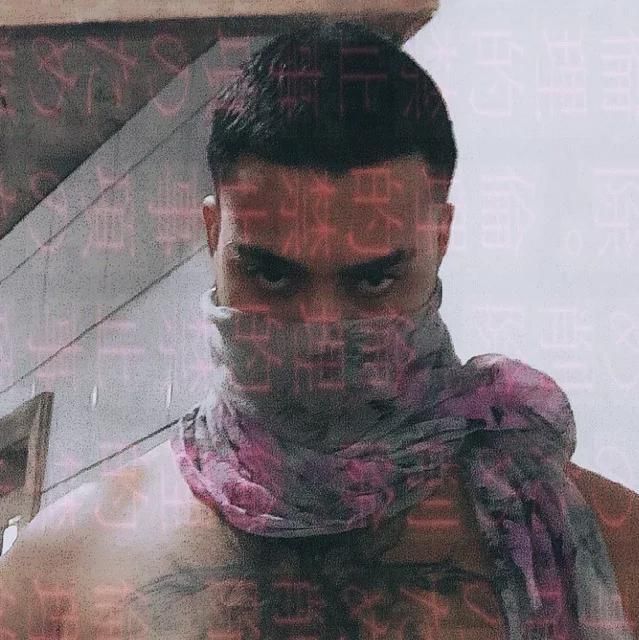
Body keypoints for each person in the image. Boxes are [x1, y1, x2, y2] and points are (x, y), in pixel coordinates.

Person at [1, 21, 638, 640]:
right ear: (212, 236)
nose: (322, 332)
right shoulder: (59, 572)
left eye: (374, 280)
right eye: (273, 277)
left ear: (440, 238)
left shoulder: (609, 545)